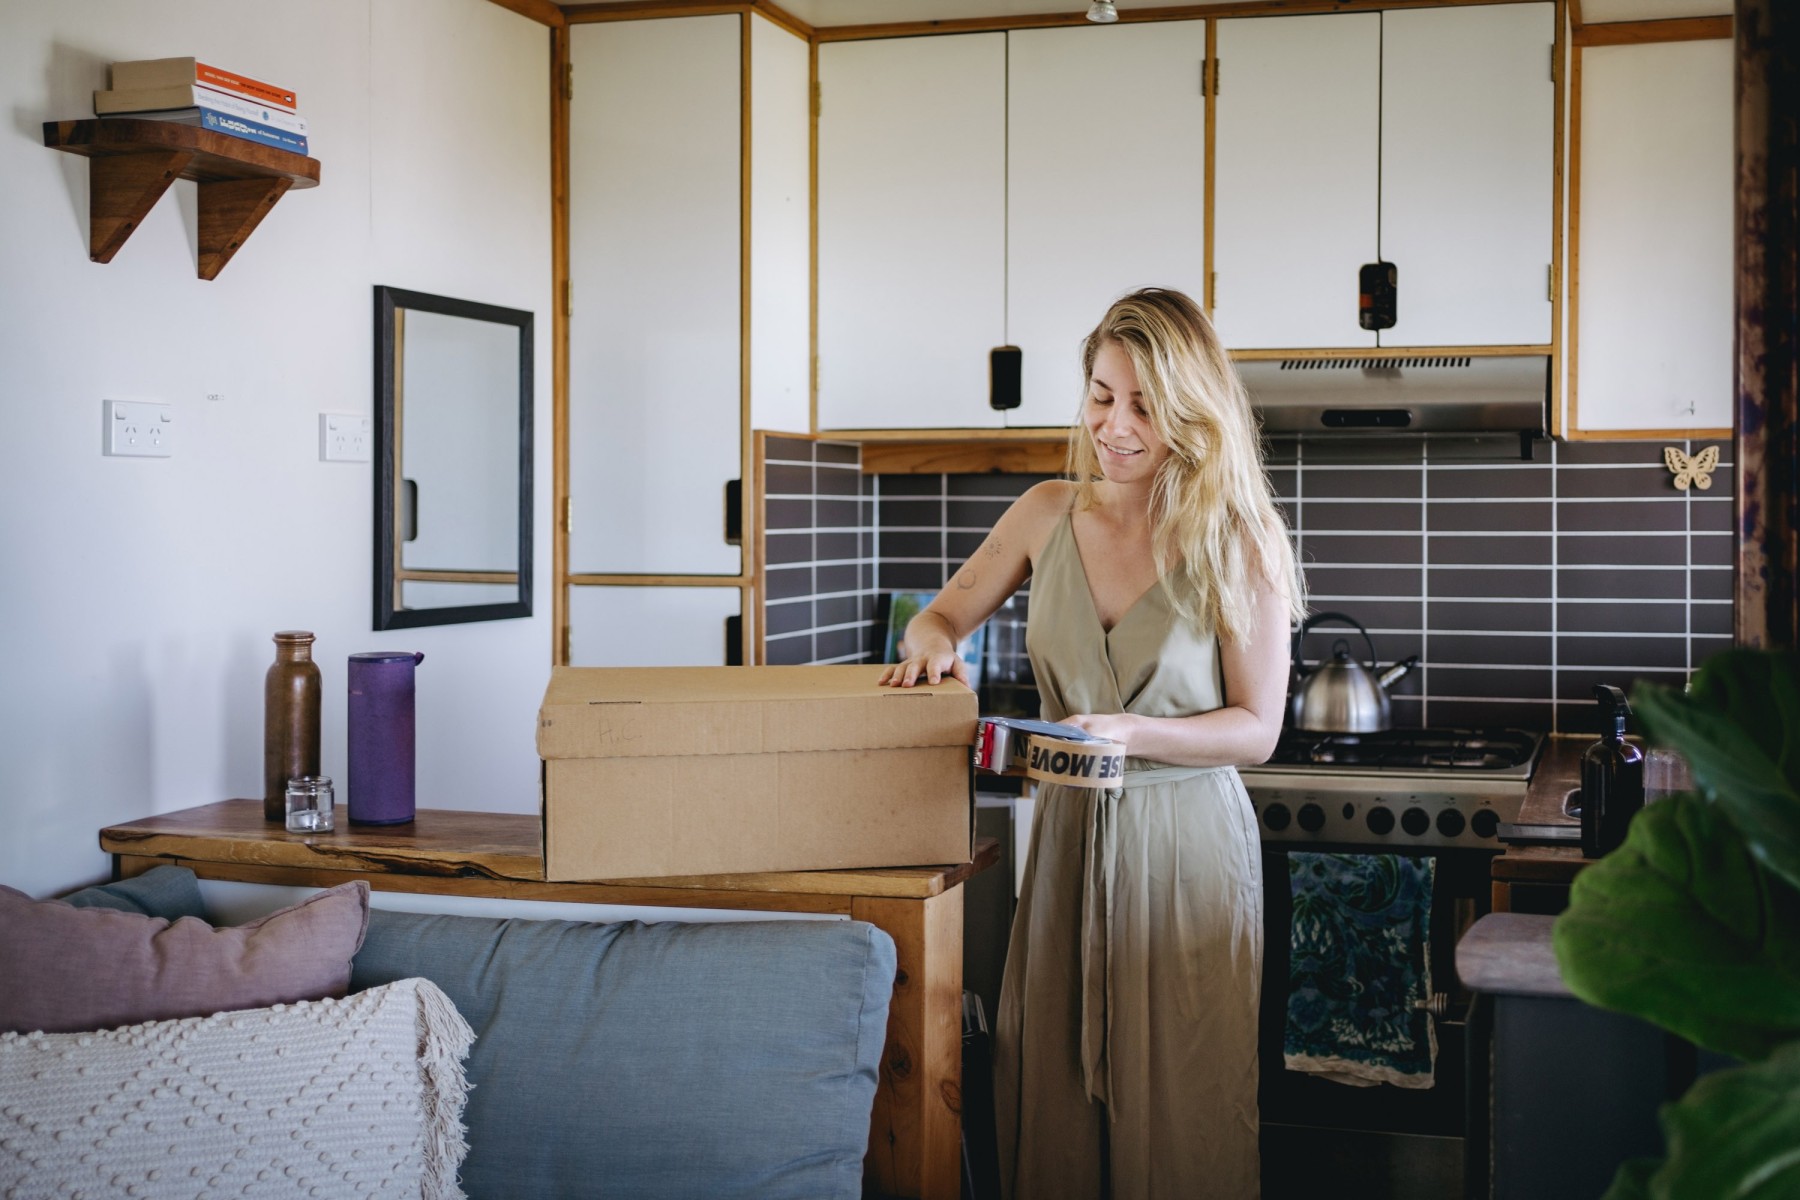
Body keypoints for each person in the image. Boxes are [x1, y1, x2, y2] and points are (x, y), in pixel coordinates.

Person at [878, 287, 1304, 1199]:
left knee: (1184, 1115)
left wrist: (1129, 732)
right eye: (1103, 396)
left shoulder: (1240, 537)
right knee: (1053, 1104)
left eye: (1145, 405)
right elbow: (939, 616)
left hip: (1185, 850)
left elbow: (1258, 729)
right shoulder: (1045, 512)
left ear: (1192, 409)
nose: (1115, 426)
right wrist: (933, 646)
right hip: (1067, 841)